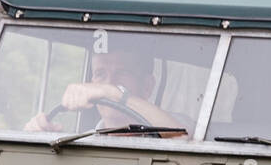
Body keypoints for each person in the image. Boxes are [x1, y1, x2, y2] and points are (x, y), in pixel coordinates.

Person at [26, 42, 186, 135]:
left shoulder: (176, 124)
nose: (108, 83)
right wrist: (38, 138)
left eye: (122, 72)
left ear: (147, 86)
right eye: (100, 74)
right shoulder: (86, 141)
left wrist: (114, 93)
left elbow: (181, 139)